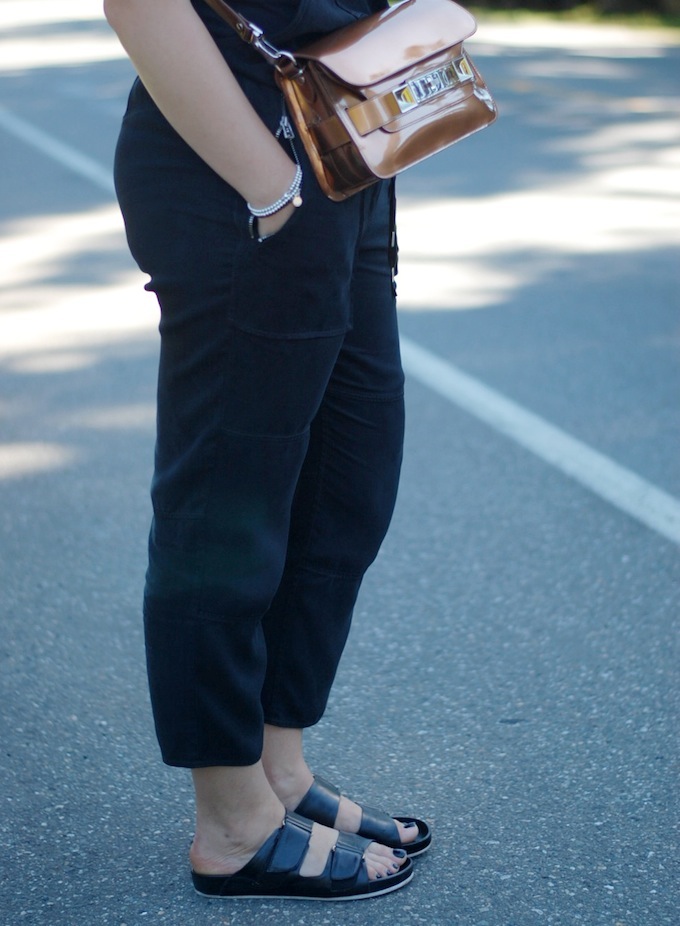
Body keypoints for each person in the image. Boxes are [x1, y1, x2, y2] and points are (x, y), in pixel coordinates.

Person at [104, 0, 431, 901]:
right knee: (228, 502)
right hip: (241, 157)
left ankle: (277, 767)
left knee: (348, 479)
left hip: (342, 140)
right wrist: (271, 186)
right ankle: (230, 817)